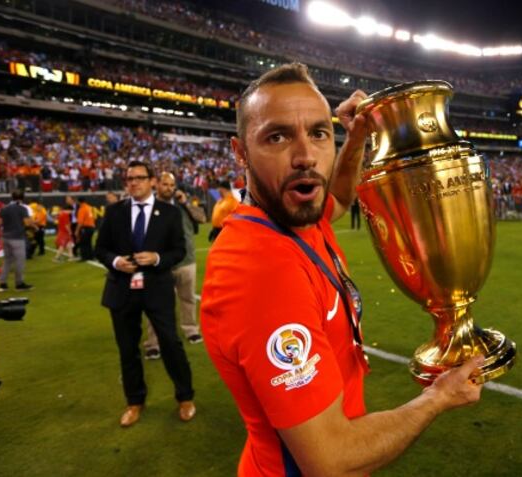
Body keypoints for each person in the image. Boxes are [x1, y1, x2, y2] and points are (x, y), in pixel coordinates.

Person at [201, 63, 483, 477]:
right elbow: (330, 459)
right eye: (277, 137)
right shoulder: (261, 274)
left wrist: (356, 139)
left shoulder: (295, 217)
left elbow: (340, 198)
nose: (305, 158)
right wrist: (438, 397)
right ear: (240, 152)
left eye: (318, 133)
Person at [94, 161, 195, 428]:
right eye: (129, 179)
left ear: (152, 181)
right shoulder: (114, 211)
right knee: (128, 349)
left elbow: (179, 250)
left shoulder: (170, 213)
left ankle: (185, 397)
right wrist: (116, 261)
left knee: (171, 343)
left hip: (157, 288)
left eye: (139, 177)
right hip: (121, 289)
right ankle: (134, 401)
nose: (134, 183)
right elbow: (100, 248)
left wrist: (157, 258)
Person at [143, 172, 206, 361]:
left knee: (188, 298)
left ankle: (191, 329)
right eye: (165, 184)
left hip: (186, 260)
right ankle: (153, 343)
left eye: (172, 185)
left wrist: (186, 202)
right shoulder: (148, 205)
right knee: (156, 304)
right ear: (156, 185)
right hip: (160, 264)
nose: (169, 188)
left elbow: (202, 218)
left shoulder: (182, 205)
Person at [0, 190, 35, 291]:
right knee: (19, 261)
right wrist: (34, 226)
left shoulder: (4, 208)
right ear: (22, 198)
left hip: (6, 237)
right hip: (17, 237)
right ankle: (19, 283)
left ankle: (2, 284)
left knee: (7, 260)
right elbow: (27, 223)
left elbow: (0, 222)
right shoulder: (22, 208)